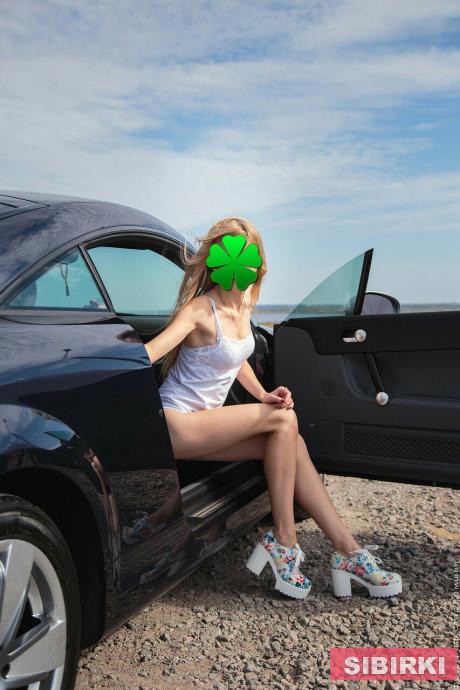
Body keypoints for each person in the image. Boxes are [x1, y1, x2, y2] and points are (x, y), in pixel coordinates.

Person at [145, 216, 402, 601]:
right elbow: (152, 352)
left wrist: (263, 394)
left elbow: (234, 360)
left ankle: (348, 552)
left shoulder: (243, 306)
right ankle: (284, 539)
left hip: (206, 426)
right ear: (217, 260)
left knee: (290, 442)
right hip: (177, 423)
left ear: (256, 263)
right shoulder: (199, 309)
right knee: (284, 420)